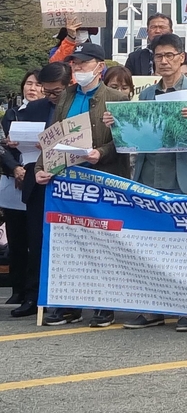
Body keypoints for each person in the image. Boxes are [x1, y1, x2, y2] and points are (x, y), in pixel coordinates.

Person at [107, 33, 187, 333]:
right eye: (159, 56)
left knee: (184, 247)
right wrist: (118, 125)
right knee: (151, 245)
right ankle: (153, 308)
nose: (164, 61)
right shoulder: (145, 95)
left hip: (184, 178)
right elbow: (136, 138)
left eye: (170, 55)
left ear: (182, 57)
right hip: (149, 176)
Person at [34, 43, 131, 327]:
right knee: (72, 240)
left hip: (103, 178)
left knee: (104, 241)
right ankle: (70, 304)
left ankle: (105, 304)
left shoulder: (116, 98)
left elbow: (124, 140)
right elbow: (54, 135)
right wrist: (42, 167)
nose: (78, 69)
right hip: (69, 179)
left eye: (84, 64)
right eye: (75, 64)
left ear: (99, 67)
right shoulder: (67, 95)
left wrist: (101, 152)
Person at [8, 62, 72, 318]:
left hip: (68, 181)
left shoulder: (76, 106)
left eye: (55, 92)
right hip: (37, 178)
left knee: (64, 243)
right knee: (36, 242)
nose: (50, 96)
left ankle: (63, 299)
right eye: (46, 91)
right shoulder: (33, 108)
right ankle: (33, 297)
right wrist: (16, 143)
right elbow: (15, 143)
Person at [0, 70, 41, 308]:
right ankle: (17, 288)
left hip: (38, 178)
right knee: (16, 238)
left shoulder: (51, 112)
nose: (32, 88)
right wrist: (15, 169)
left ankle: (32, 290)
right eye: (28, 84)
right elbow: (3, 145)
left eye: (37, 84)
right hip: (13, 179)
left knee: (35, 237)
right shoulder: (12, 114)